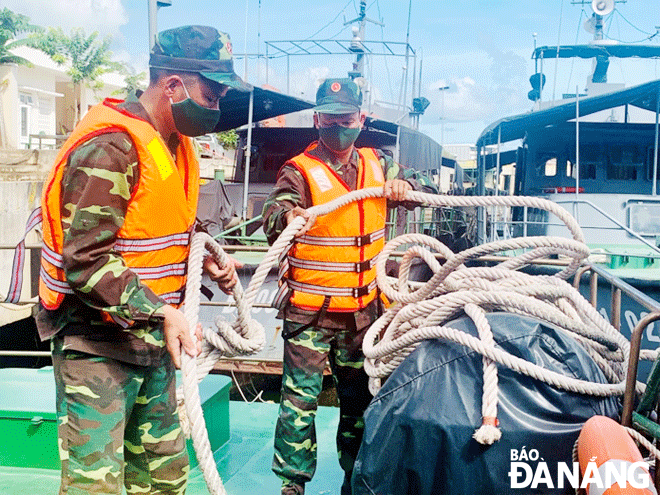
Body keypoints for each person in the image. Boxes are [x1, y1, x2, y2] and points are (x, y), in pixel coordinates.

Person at [35, 25, 248, 494]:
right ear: (173, 86)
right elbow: (85, 260)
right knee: (97, 485)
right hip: (96, 345)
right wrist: (160, 310)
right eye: (210, 96)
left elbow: (161, 220)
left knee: (163, 480)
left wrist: (206, 251)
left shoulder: (177, 145)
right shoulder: (111, 148)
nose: (215, 108)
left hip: (152, 342)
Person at [262, 77, 434, 495]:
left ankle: (356, 479)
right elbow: (272, 213)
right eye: (331, 118)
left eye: (347, 118)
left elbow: (427, 188)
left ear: (362, 119)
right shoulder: (299, 170)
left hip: (363, 314)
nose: (339, 126)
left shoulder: (380, 163)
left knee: (360, 403)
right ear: (318, 120)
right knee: (298, 405)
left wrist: (406, 188)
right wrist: (288, 218)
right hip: (310, 313)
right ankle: (292, 485)